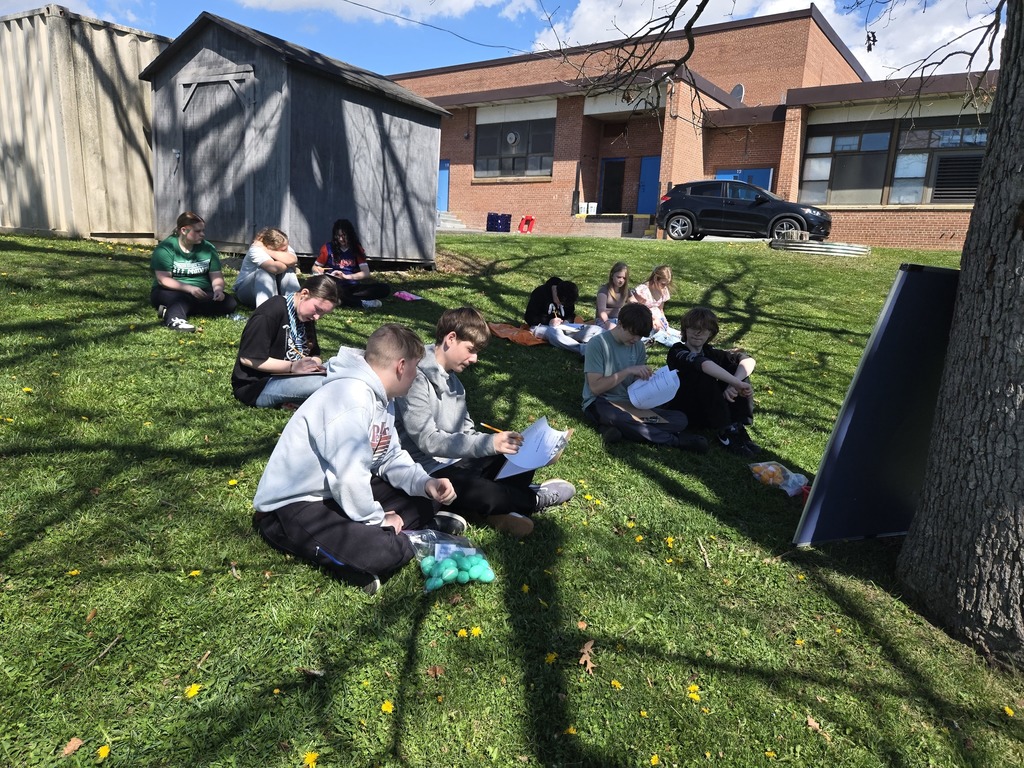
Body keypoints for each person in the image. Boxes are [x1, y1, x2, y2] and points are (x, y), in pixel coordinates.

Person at [252, 324, 464, 595]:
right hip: (295, 503)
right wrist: (376, 519)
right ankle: (386, 543)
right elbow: (348, 474)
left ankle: (398, 533)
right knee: (382, 553)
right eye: (415, 368)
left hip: (335, 492)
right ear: (401, 366)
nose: (415, 376)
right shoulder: (349, 398)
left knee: (428, 499)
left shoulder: (383, 398)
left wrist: (425, 483)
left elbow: (388, 455)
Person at [395, 307, 576, 539]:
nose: (475, 358)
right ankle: (531, 499)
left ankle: (483, 509)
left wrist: (504, 445)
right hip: (430, 469)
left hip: (459, 460)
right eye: (471, 350)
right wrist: (489, 444)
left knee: (517, 458)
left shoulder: (455, 383)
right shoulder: (416, 378)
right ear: (451, 338)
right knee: (485, 493)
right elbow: (428, 441)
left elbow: (467, 431)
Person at [582, 303, 707, 452]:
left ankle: (614, 428)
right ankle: (674, 440)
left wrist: (649, 382)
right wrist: (628, 371)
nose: (636, 339)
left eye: (640, 336)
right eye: (633, 334)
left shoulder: (638, 346)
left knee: (680, 419)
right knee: (619, 418)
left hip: (630, 403)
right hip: (602, 402)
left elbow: (635, 383)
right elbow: (595, 388)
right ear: (620, 324)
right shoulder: (598, 344)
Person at [232, 275, 339, 408]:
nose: (317, 317)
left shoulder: (304, 315)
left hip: (291, 376)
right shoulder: (270, 312)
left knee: (340, 371)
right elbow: (248, 359)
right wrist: (292, 367)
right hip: (259, 385)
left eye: (323, 314)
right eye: (317, 309)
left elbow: (315, 355)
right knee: (329, 383)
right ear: (304, 294)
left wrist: (313, 365)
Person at [666, 306, 759, 455]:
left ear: (710, 333)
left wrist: (733, 384)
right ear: (685, 330)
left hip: (707, 409)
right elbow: (703, 365)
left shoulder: (710, 352)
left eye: (703, 330)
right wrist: (736, 383)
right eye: (693, 328)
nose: (697, 333)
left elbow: (747, 359)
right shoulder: (677, 351)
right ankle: (724, 430)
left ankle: (737, 426)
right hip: (685, 409)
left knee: (737, 371)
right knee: (704, 374)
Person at [149, 211, 238, 331]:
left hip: (202, 291)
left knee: (229, 303)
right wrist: (190, 289)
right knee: (182, 299)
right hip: (171, 291)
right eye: (197, 231)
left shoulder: (208, 248)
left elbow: (216, 276)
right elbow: (163, 280)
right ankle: (175, 320)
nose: (202, 234)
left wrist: (218, 290)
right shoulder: (166, 248)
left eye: (203, 230)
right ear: (184, 230)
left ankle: (170, 310)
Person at [313, 218, 391, 309]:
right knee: (334, 292)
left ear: (350, 235)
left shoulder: (356, 249)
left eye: (344, 236)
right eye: (338, 236)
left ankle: (343, 300)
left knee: (384, 288)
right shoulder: (328, 248)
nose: (341, 239)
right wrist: (319, 270)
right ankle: (361, 303)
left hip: (352, 286)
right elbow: (315, 267)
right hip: (333, 285)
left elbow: (366, 273)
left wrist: (346, 277)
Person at [524, 276, 602, 356]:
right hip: (541, 326)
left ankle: (603, 345)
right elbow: (529, 317)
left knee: (596, 329)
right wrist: (549, 321)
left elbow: (571, 314)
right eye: (560, 303)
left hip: (563, 326)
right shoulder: (540, 293)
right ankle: (584, 349)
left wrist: (567, 321)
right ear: (556, 293)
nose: (560, 305)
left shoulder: (568, 294)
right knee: (555, 333)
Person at [233, 227, 301, 308]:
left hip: (274, 288)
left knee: (289, 271)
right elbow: (274, 268)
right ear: (270, 246)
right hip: (246, 291)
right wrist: (288, 264)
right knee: (263, 272)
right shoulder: (255, 249)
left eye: (287, 248)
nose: (287, 251)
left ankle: (295, 304)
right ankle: (265, 310)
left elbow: (293, 260)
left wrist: (268, 251)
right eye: (283, 250)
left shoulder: (282, 245)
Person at [629, 265, 673, 333]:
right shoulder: (644, 290)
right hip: (644, 320)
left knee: (670, 333)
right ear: (655, 278)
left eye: (667, 284)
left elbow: (660, 309)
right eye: (663, 284)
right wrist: (652, 318)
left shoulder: (663, 290)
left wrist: (664, 320)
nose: (665, 287)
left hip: (658, 319)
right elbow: (632, 303)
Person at [596, 261, 630, 329]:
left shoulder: (625, 291)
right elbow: (601, 311)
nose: (621, 280)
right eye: (619, 277)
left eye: (624, 278)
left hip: (619, 321)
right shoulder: (604, 291)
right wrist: (607, 323)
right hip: (604, 321)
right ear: (612, 275)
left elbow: (634, 303)